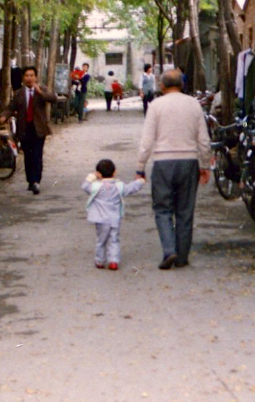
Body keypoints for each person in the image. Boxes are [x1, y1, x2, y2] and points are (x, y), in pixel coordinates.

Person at [136, 69, 211, 270]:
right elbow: (203, 139)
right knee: (185, 210)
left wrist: (140, 167)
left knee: (162, 209)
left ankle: (169, 250)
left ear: (161, 85)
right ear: (182, 84)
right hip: (189, 162)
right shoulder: (193, 104)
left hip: (163, 162)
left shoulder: (156, 105)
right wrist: (205, 164)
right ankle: (182, 257)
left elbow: (147, 140)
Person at [0, 65, 55, 195]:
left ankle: (36, 181)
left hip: (38, 128)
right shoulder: (19, 93)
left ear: (35, 77)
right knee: (28, 156)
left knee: (37, 155)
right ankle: (30, 180)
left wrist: (41, 92)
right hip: (24, 129)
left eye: (31, 75)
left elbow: (53, 98)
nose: (29, 78)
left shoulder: (41, 90)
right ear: (23, 78)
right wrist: (4, 116)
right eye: (26, 76)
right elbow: (11, 107)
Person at [82, 159, 145, 271]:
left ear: (99, 174)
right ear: (114, 172)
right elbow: (130, 188)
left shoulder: (96, 187)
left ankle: (100, 261)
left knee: (101, 241)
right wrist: (140, 181)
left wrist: (91, 177)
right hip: (114, 219)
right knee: (114, 240)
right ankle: (113, 261)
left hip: (100, 219)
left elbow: (85, 186)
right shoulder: (119, 186)